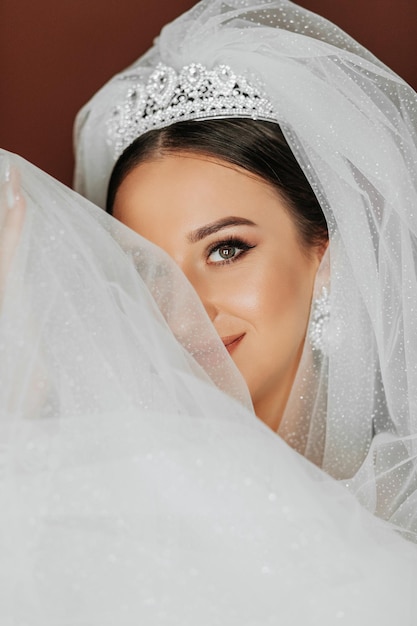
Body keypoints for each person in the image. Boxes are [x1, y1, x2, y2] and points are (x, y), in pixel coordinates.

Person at [1, 1, 417, 623]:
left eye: (227, 249)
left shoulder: (400, 509)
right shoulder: (91, 501)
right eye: (147, 267)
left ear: (325, 260)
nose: (182, 307)